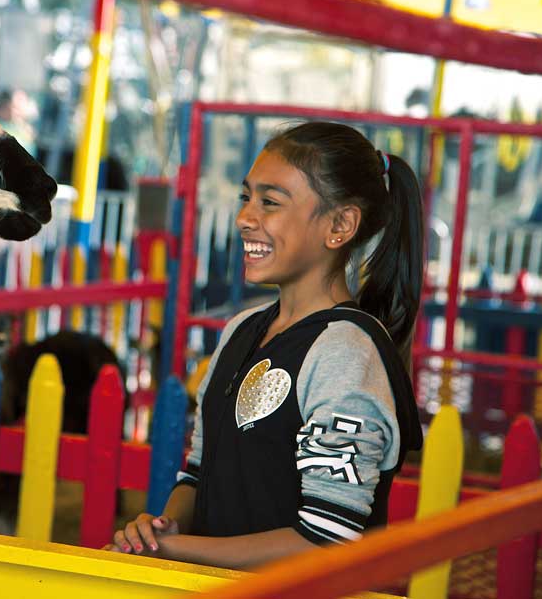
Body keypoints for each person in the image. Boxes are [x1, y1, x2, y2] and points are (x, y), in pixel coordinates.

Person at [104, 121, 424, 569]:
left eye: (270, 202)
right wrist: (163, 530)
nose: (244, 218)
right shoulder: (241, 330)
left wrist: (176, 551)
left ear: (340, 225)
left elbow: (327, 540)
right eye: (246, 198)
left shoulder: (345, 352)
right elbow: (200, 471)